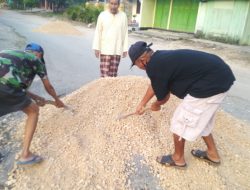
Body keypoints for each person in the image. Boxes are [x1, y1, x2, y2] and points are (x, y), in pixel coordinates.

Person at [128, 41, 236, 169]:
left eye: (136, 65)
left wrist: (155, 105)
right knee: (203, 120)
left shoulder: (154, 66)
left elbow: (164, 98)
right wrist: (142, 103)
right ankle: (212, 154)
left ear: (142, 60)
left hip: (211, 83)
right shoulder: (159, 58)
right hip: (221, 76)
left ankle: (178, 158)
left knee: (180, 121)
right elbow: (154, 84)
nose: (139, 67)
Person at [0, 43, 65, 165]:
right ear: (39, 54)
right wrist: (57, 100)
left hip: (4, 83)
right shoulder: (37, 61)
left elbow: (18, 85)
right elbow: (48, 87)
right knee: (33, 111)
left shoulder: (13, 54)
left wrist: (35, 97)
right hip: (4, 84)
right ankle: (25, 155)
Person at [92, 0, 128, 77]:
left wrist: (125, 49)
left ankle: (111, 89)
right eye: (111, 4)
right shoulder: (102, 15)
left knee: (113, 75)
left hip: (117, 50)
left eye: (115, 4)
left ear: (118, 5)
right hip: (105, 50)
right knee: (104, 75)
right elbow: (98, 32)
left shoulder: (123, 16)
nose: (113, 6)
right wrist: (96, 48)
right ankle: (103, 89)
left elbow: (125, 33)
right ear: (108, 4)